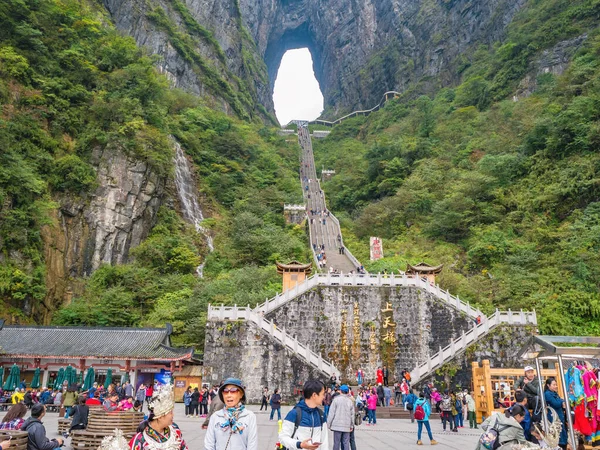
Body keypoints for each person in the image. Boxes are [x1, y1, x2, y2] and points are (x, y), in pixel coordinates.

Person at [129, 384, 188, 450]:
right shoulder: (140, 439)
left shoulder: (175, 430)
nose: (173, 415)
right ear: (159, 417)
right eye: (170, 412)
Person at [204, 378, 257, 450]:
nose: (228, 395)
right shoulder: (215, 416)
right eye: (225, 391)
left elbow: (252, 445)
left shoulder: (249, 416)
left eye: (233, 391)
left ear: (241, 394)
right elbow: (209, 445)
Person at [279, 380, 329, 450]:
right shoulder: (294, 414)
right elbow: (282, 438)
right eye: (323, 394)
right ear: (314, 395)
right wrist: (299, 444)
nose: (324, 397)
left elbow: (324, 442)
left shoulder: (321, 415)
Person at [544, 377, 568, 449]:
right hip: (553, 418)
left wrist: (561, 401)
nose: (556, 386)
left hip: (559, 416)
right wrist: (562, 402)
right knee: (557, 436)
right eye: (554, 385)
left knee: (562, 434)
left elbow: (560, 401)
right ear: (548, 385)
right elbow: (556, 403)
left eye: (556, 384)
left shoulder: (554, 393)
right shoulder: (547, 394)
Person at [328, 385, 354, 450]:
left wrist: (329, 424)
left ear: (340, 391)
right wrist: (351, 425)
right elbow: (352, 415)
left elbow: (331, 413)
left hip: (337, 425)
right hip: (346, 425)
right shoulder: (349, 401)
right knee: (346, 443)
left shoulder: (336, 400)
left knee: (336, 443)